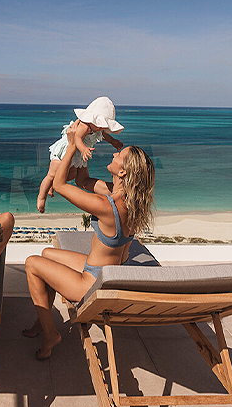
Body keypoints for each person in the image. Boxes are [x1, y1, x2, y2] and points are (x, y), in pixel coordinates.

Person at [25, 121, 154, 359]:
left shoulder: (107, 206)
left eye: (119, 156)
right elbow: (83, 182)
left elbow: (59, 185)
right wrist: (82, 146)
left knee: (32, 263)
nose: (114, 153)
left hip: (92, 285)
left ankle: (51, 334)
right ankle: (42, 321)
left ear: (123, 172)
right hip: (107, 273)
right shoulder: (131, 201)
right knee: (47, 254)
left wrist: (72, 145)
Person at [36, 96, 124, 212]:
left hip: (77, 154)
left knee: (71, 176)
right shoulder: (85, 125)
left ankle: (52, 185)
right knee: (51, 175)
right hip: (65, 152)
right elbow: (76, 138)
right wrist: (83, 149)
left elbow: (103, 135)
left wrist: (113, 141)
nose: (101, 128)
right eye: (100, 124)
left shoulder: (97, 128)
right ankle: (41, 197)